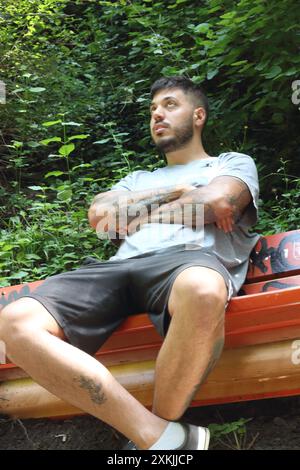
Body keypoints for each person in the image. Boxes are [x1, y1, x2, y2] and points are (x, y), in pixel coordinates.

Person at [0, 76, 260, 450]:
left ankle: (152, 440)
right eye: (153, 109)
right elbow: (100, 217)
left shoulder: (229, 163)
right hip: (118, 268)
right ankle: (158, 437)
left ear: (199, 115)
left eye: (170, 105)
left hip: (187, 262)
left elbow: (218, 204)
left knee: (202, 288)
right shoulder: (138, 178)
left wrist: (137, 217)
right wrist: (179, 193)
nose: (158, 114)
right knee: (15, 321)